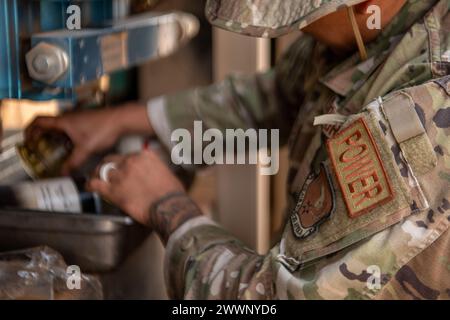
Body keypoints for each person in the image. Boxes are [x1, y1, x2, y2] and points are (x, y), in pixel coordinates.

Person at [26, 0, 450, 299]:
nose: (298, 32)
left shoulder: (420, 130)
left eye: (299, 20)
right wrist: (118, 120)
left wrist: (170, 209)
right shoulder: (374, 30)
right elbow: (280, 91)